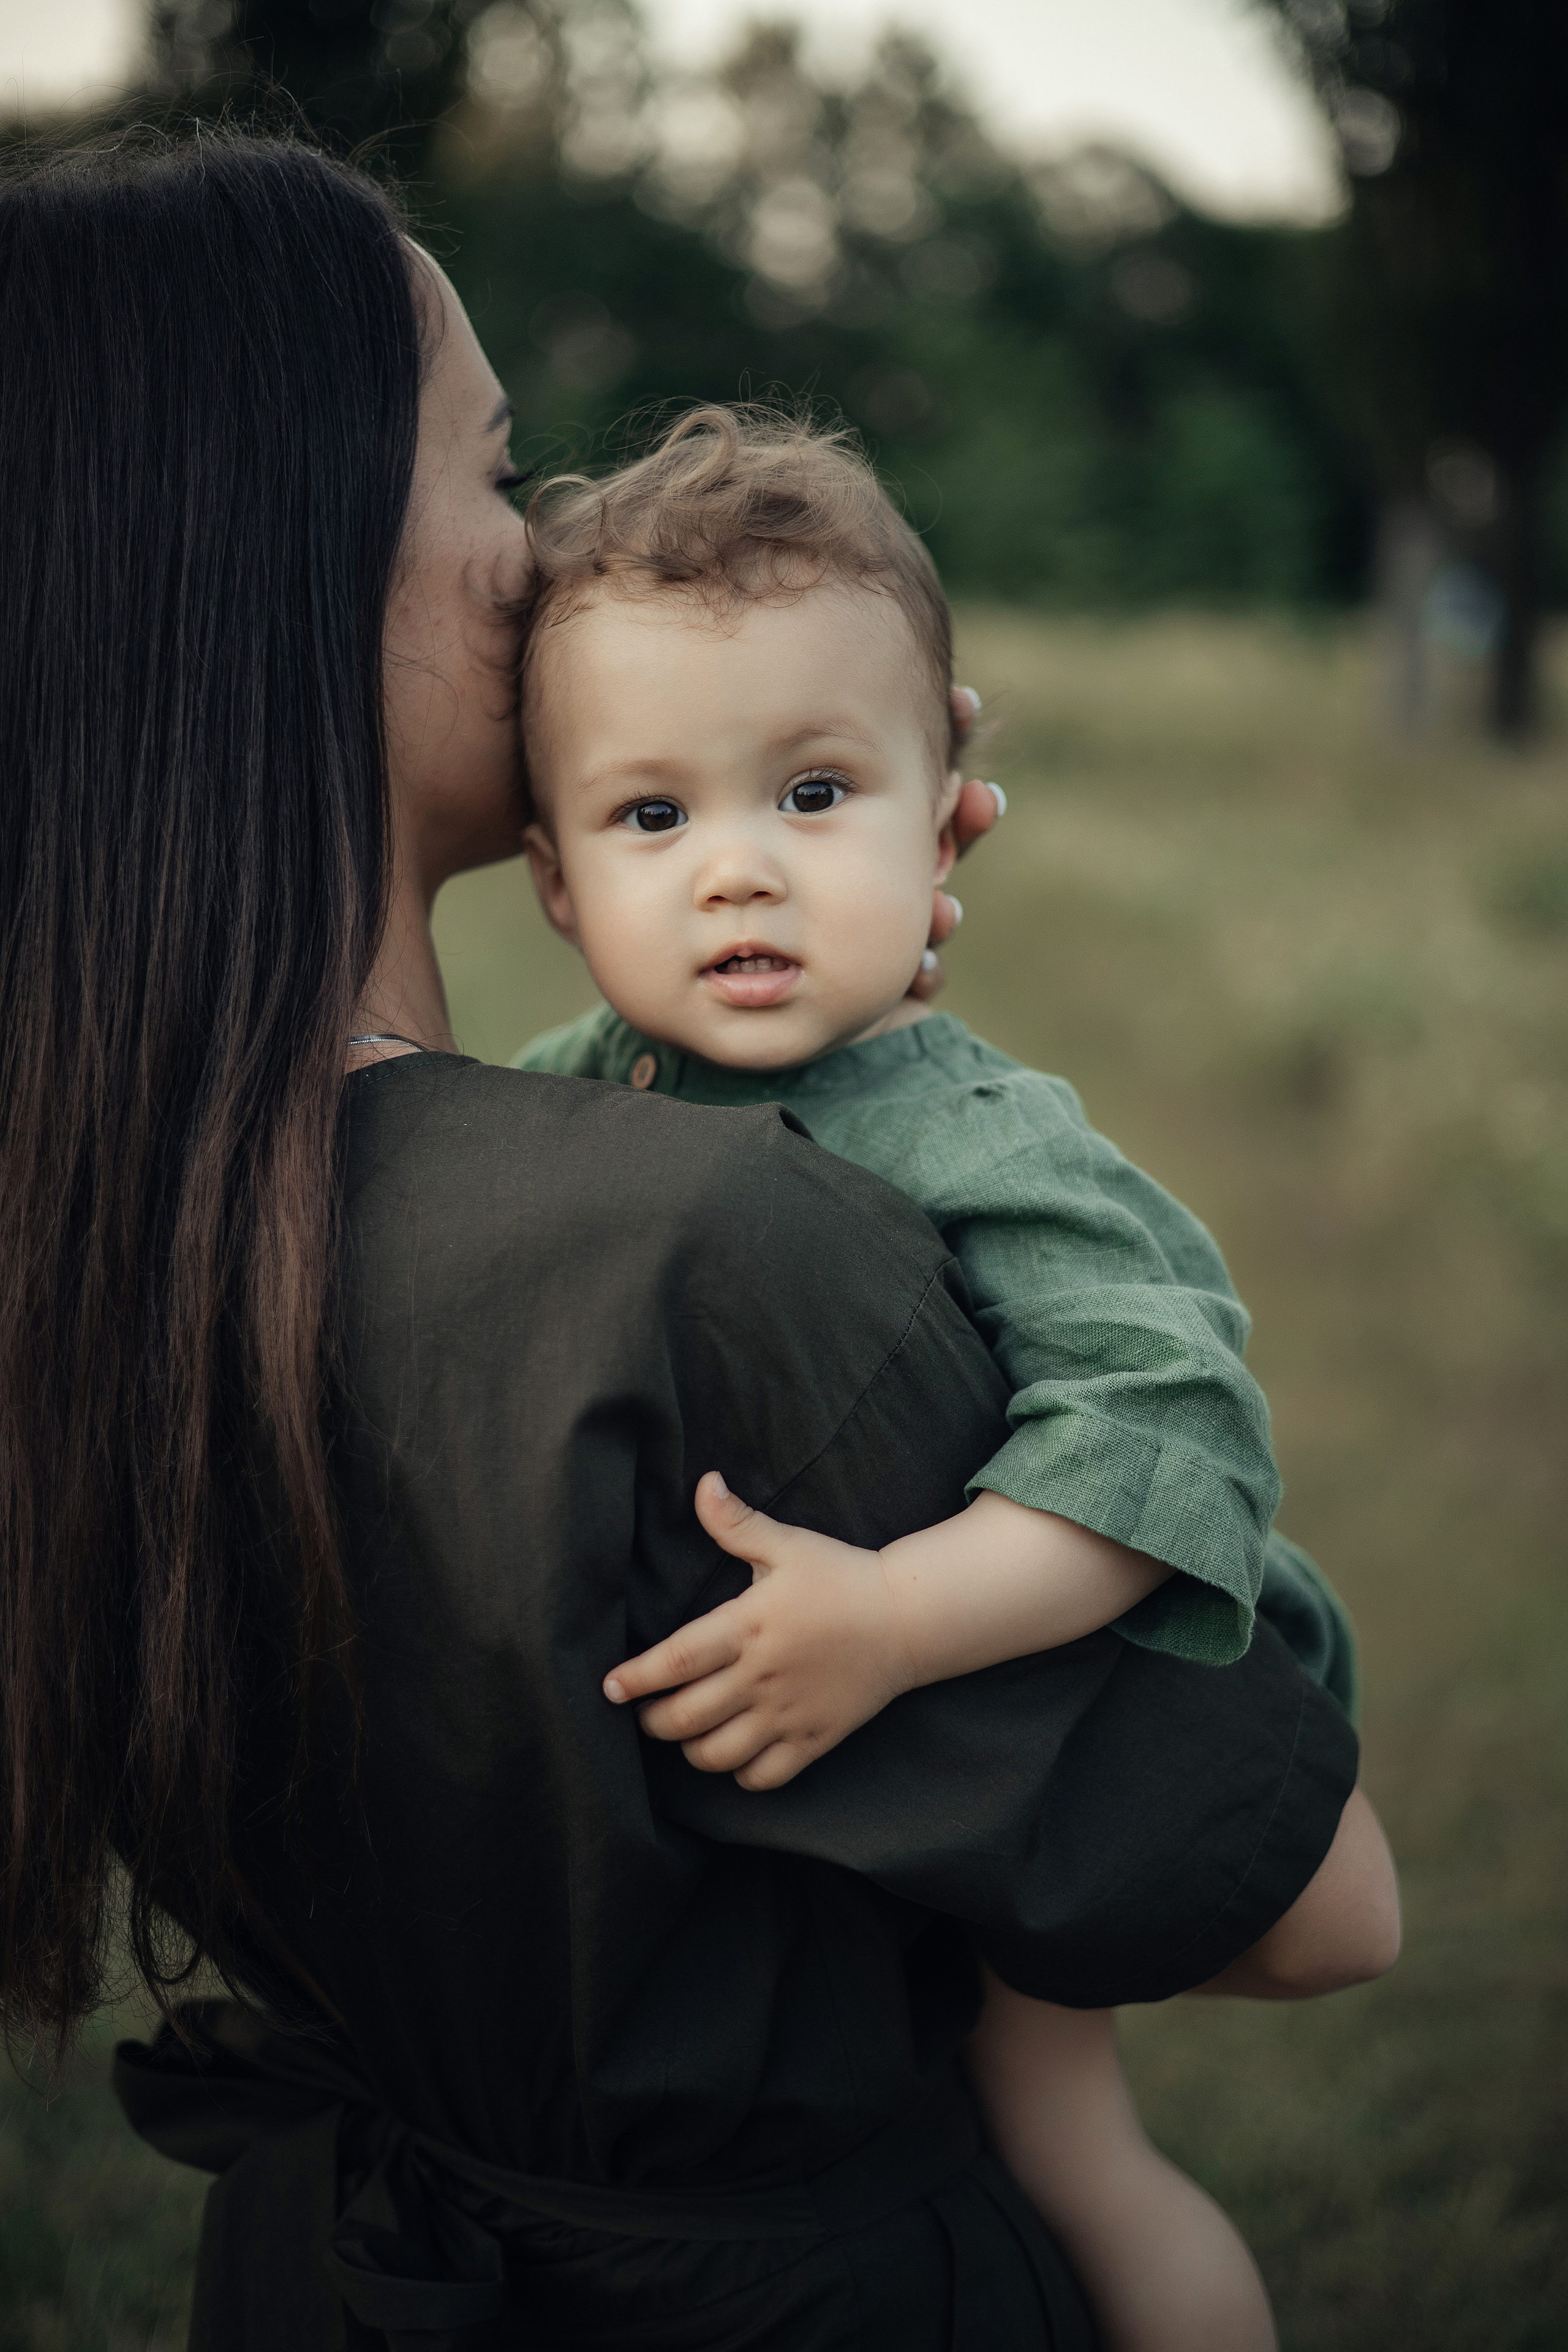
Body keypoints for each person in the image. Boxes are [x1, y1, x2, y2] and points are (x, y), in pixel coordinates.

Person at [0, 132, 1396, 2352]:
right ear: (299, 556)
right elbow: (1323, 1905)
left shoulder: (85, 1225)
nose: (543, 551)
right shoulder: (707, 1260)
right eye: (497, 472)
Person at [511, 405, 1370, 2350]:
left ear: (944, 818)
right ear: (559, 881)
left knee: (1071, 2146)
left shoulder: (965, 1125)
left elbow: (1175, 1435)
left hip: (1083, 1699)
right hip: (864, 1755)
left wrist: (899, 1620)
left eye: (814, 796)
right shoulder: (579, 1092)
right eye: (657, 818)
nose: (737, 874)